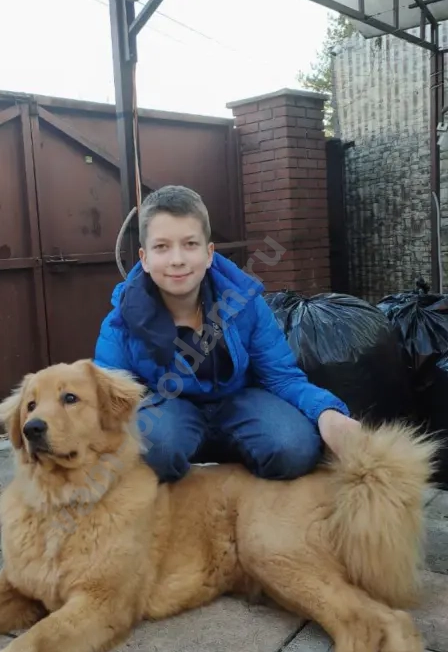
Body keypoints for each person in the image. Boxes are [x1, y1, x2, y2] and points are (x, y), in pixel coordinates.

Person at [94, 185, 359, 484]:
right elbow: (107, 399)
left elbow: (282, 377)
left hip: (240, 402)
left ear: (209, 254)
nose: (177, 259)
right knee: (155, 446)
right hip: (169, 410)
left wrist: (327, 412)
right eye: (162, 247)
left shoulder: (245, 304)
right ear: (144, 258)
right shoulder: (121, 323)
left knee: (294, 447)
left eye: (190, 244)